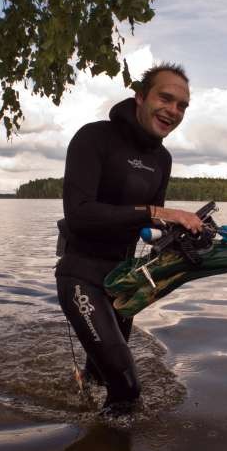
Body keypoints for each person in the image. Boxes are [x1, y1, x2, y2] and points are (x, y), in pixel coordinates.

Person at [55, 63, 202, 413]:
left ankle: (85, 416)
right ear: (139, 97)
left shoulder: (162, 159)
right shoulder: (94, 138)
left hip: (124, 281)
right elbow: (79, 213)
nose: (174, 110)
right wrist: (158, 213)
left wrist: (183, 233)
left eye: (182, 105)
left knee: (103, 377)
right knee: (128, 386)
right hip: (81, 276)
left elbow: (150, 229)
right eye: (165, 98)